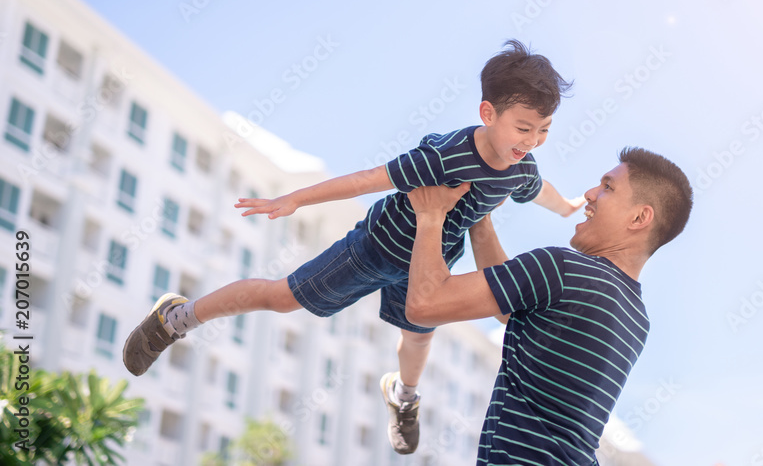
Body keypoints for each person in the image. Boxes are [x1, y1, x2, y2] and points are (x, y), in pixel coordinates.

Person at [121, 40, 582, 455]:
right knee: (280, 297)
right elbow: (366, 179)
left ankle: (402, 396)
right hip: (376, 248)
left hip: (429, 266)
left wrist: (566, 209)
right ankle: (176, 317)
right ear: (488, 114)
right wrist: (294, 199)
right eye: (524, 128)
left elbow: (538, 190)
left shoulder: (522, 169)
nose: (533, 141)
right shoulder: (442, 157)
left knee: (419, 340)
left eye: (543, 130)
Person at [404, 147, 693, 465]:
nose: (590, 194)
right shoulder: (635, 317)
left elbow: (424, 304)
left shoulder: (562, 268)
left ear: (640, 218)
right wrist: (480, 217)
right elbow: (511, 308)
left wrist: (430, 216)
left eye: (608, 187)